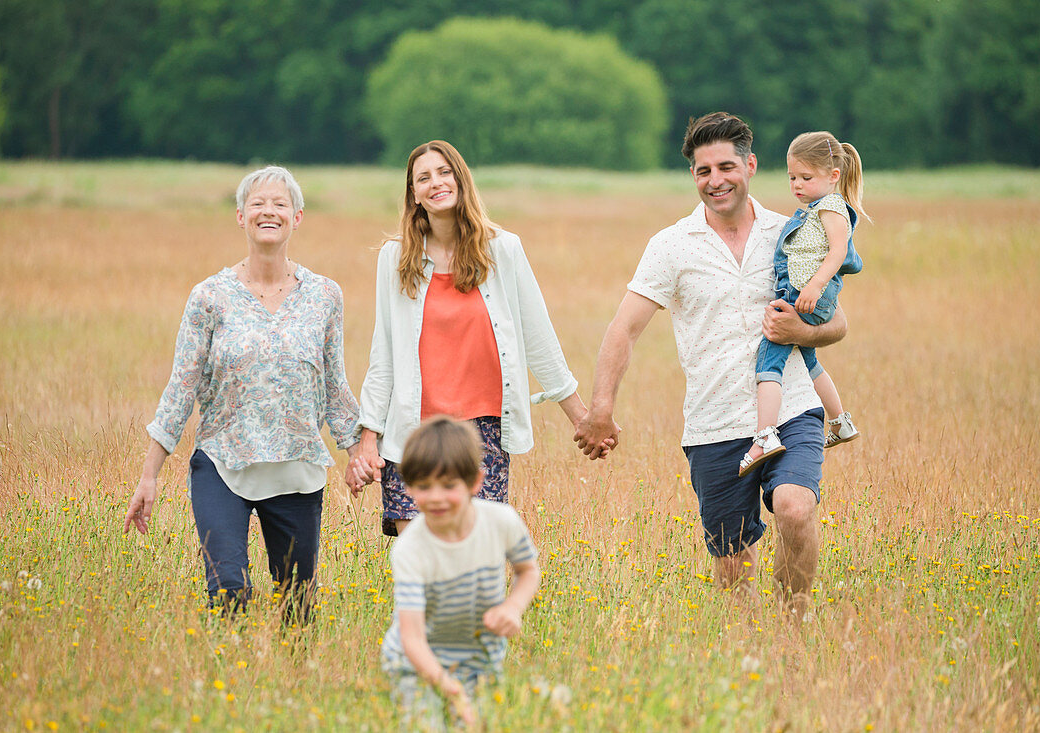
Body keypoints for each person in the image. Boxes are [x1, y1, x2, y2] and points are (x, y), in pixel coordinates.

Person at [574, 112, 847, 618]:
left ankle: (796, 620)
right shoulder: (671, 245)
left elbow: (837, 324)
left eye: (726, 166)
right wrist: (600, 409)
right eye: (703, 171)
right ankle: (744, 647)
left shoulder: (790, 232)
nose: (715, 180)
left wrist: (800, 333)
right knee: (731, 565)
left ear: (750, 165)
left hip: (791, 406)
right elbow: (623, 330)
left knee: (794, 507)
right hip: (712, 423)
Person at [123, 165, 361, 622]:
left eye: (279, 204)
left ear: (298, 217)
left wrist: (358, 451)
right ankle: (228, 683)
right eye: (257, 203)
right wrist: (149, 474)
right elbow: (181, 389)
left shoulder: (325, 296)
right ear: (240, 216)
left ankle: (293, 680)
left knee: (297, 605)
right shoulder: (210, 297)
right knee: (228, 592)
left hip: (296, 469)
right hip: (221, 463)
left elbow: (334, 385)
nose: (268, 211)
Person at [347, 139, 609, 535]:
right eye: (423, 177)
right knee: (419, 558)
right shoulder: (395, 258)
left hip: (482, 432)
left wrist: (581, 417)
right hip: (411, 431)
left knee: (475, 557)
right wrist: (369, 438)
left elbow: (538, 337)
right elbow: (383, 353)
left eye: (444, 172)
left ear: (460, 179)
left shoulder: (502, 250)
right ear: (413, 194)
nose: (436, 182)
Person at [380, 416, 540, 728]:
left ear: (475, 482)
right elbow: (412, 638)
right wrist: (449, 688)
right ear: (408, 489)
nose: (436, 497)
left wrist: (513, 607)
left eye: (449, 485)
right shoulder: (410, 549)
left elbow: (528, 570)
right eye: (424, 487)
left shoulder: (501, 521)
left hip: (480, 659)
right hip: (415, 663)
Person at [739, 131, 868, 477]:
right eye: (792, 177)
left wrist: (814, 284)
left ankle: (764, 436)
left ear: (833, 176)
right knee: (808, 360)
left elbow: (839, 252)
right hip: (803, 291)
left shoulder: (830, 207)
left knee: (769, 360)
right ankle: (841, 422)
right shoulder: (816, 207)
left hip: (804, 294)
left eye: (806, 178)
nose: (796, 184)